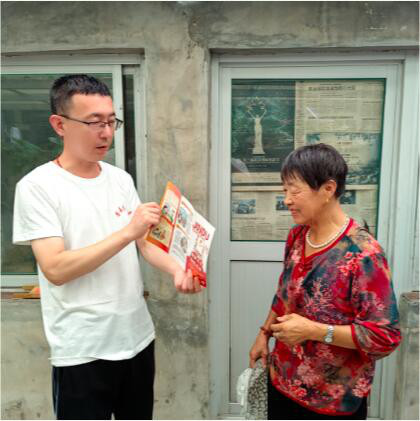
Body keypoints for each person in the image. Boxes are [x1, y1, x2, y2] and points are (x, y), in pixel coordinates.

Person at [13, 74, 202, 420]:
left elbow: (145, 243)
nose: (105, 133)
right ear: (59, 124)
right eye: (94, 122)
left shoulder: (120, 179)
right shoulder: (38, 186)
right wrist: (127, 232)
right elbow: (55, 269)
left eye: (111, 121)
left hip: (136, 337)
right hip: (82, 348)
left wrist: (177, 270)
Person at [249, 144, 401, 420]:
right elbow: (285, 293)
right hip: (282, 380)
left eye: (295, 191)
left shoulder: (364, 254)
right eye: (284, 190)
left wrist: (314, 331)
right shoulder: (297, 236)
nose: (287, 200)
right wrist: (264, 333)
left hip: (332, 401)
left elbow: (384, 337)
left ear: (328, 189)